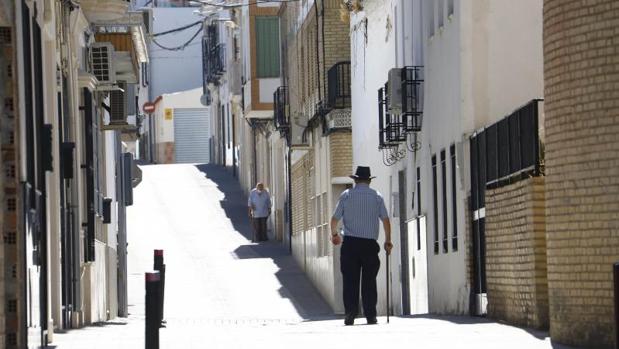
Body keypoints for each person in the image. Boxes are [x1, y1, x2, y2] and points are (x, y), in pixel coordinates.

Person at [330, 166, 392, 326]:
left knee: (350, 280)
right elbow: (385, 219)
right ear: (369, 180)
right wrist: (388, 240)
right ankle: (370, 315)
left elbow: (335, 218)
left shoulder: (346, 195)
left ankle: (350, 314)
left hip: (350, 244)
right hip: (370, 245)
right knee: (369, 280)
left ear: (355, 180)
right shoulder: (377, 197)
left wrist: (335, 235)